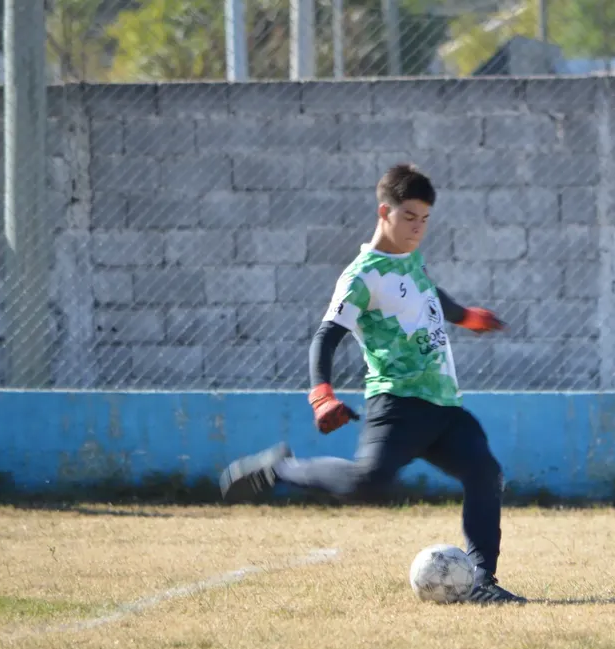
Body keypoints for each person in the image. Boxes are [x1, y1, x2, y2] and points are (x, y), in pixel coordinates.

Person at [219, 163, 527, 605]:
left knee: (484, 473)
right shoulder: (362, 275)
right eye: (409, 217)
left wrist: (466, 316)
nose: (418, 228)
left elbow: (429, 296)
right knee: (368, 484)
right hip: (398, 403)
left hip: (444, 406)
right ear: (386, 212)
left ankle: (482, 583)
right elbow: (327, 335)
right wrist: (321, 393)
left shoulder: (410, 262)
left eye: (424, 219)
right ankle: (279, 469)